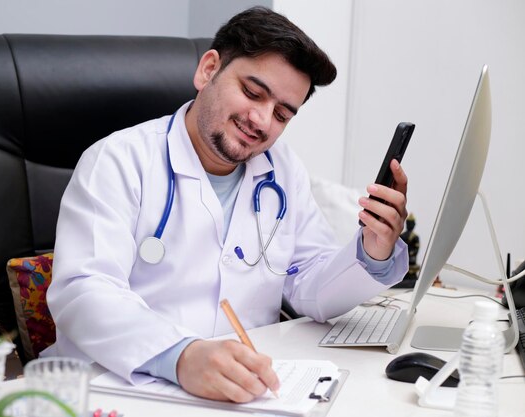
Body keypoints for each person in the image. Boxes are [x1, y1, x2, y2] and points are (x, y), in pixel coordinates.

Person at [44, 6, 409, 404]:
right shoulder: (118, 160)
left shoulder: (281, 170)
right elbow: (84, 291)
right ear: (208, 70)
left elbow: (309, 285)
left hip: (240, 390)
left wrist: (372, 251)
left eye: (283, 114)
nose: (263, 120)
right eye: (253, 93)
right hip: (120, 387)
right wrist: (179, 355)